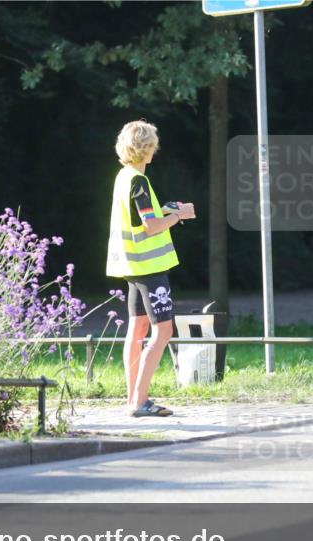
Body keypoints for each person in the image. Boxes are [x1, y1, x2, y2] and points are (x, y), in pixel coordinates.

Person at [106, 120, 196, 417]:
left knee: (137, 330)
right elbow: (151, 225)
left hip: (131, 265)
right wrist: (179, 216)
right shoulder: (139, 181)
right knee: (163, 331)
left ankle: (132, 397)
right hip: (150, 267)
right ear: (149, 149)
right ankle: (140, 402)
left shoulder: (123, 176)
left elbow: (139, 217)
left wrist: (166, 209)